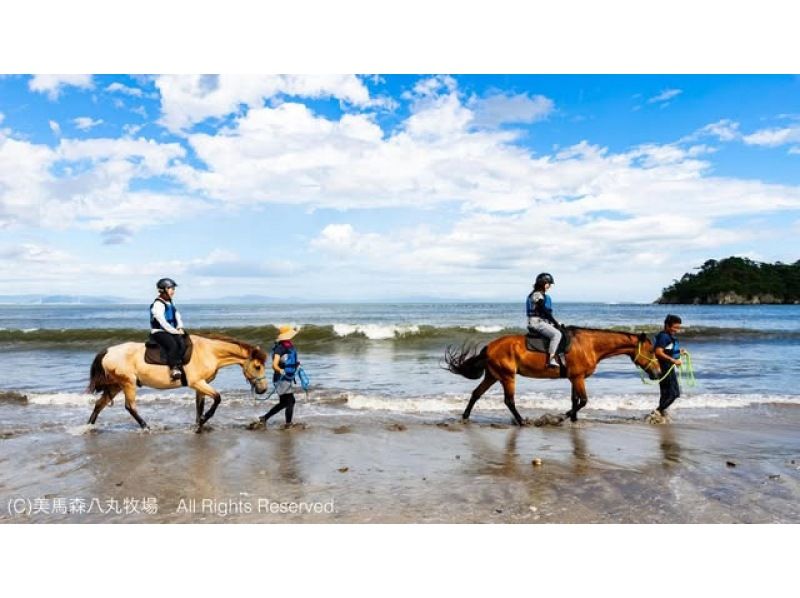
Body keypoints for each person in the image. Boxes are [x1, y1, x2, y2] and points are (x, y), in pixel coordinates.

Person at [257, 325, 300, 428]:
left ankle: (264, 418)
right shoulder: (280, 348)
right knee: (290, 401)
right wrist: (281, 371)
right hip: (281, 379)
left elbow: (286, 360)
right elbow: (274, 365)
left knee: (284, 402)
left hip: (286, 378)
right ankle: (288, 424)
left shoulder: (288, 345)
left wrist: (295, 364)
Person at [150, 277, 186, 381]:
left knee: (187, 340)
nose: (173, 291)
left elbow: (177, 315)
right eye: (171, 288)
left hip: (172, 330)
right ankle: (174, 369)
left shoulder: (171, 302)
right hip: (159, 331)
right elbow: (162, 322)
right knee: (172, 345)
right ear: (164, 290)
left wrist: (180, 326)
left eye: (173, 289)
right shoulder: (158, 304)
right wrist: (175, 332)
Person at [652, 314, 687, 417]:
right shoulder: (664, 336)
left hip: (667, 367)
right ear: (667, 325)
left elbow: (666, 350)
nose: (676, 330)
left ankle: (660, 414)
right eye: (675, 327)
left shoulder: (667, 336)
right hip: (664, 368)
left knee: (666, 394)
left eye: (678, 328)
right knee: (674, 394)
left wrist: (679, 352)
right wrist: (673, 360)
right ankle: (657, 412)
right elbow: (658, 352)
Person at [526, 272, 562, 368]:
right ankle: (551, 359)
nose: (549, 286)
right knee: (557, 334)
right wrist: (555, 322)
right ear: (545, 284)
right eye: (549, 284)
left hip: (541, 322)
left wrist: (556, 322)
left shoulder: (542, 295)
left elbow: (547, 313)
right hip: (536, 323)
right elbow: (543, 310)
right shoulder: (536, 295)